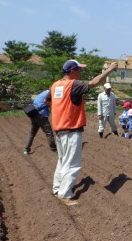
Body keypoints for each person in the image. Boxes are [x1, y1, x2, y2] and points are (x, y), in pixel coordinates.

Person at [49, 59, 118, 206]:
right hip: (71, 129)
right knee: (72, 163)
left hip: (59, 129)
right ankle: (64, 194)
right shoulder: (73, 85)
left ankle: (57, 188)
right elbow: (93, 83)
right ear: (72, 71)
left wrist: (61, 110)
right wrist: (109, 70)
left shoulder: (55, 85)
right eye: (79, 70)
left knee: (62, 161)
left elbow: (47, 101)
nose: (81, 73)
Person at [24, 89, 57, 155]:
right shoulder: (49, 94)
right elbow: (49, 103)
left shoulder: (42, 93)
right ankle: (54, 149)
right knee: (49, 133)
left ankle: (26, 150)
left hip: (34, 115)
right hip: (41, 115)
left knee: (32, 133)